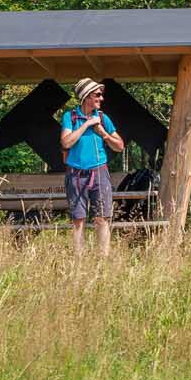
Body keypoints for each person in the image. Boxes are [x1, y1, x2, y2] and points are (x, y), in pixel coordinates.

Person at [60, 78, 125, 254]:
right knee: (78, 220)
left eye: (101, 95)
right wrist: (87, 124)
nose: (101, 98)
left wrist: (102, 132)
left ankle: (103, 261)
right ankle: (79, 263)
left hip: (99, 172)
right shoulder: (70, 117)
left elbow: (119, 146)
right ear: (86, 97)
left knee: (102, 218)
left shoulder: (103, 118)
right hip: (76, 174)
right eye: (97, 95)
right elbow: (66, 143)